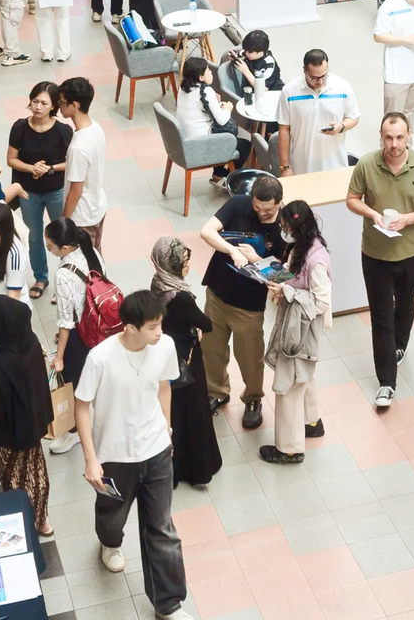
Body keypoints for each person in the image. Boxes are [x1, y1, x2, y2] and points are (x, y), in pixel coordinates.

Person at [74, 289, 191, 620]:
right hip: (114, 455)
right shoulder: (100, 358)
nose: (160, 332)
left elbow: (164, 386)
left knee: (162, 530)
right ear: (130, 326)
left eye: (160, 325)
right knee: (112, 518)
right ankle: (109, 543)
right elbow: (82, 406)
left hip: (155, 450)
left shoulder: (164, 345)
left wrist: (166, 428)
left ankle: (168, 604)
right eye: (152, 326)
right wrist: (90, 459)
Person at [345, 111, 414, 409]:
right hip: (375, 254)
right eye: (388, 137)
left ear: (409, 134)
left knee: (406, 306)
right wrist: (372, 213)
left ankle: (399, 346)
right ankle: (386, 382)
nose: (394, 144)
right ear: (380, 135)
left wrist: (408, 219)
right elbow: (351, 199)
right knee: (381, 316)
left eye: (400, 137)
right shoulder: (366, 164)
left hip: (410, 251)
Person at [198, 168, 285, 430]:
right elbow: (207, 232)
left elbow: (283, 276)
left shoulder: (285, 228)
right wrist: (232, 250)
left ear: (279, 203)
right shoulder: (238, 204)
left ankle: (253, 399)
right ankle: (216, 391)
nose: (261, 214)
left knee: (249, 357)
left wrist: (256, 260)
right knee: (211, 350)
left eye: (267, 210)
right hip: (217, 293)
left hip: (249, 306)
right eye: (257, 207)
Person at [0, 295, 57, 537]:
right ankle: (42, 520)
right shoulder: (30, 342)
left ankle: (24, 523)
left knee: (14, 479)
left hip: (8, 436)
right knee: (37, 471)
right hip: (33, 424)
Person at [259, 199, 331, 464]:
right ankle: (311, 422)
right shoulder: (303, 247)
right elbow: (293, 273)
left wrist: (287, 290)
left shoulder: (317, 262)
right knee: (305, 376)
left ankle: (289, 448)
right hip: (297, 325)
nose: (282, 230)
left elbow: (322, 302)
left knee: (288, 384)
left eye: (285, 225)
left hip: (300, 331)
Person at [150, 236, 222, 487]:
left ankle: (173, 467)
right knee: (194, 412)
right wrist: (196, 325)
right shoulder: (181, 297)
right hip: (187, 359)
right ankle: (198, 469)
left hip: (165, 356)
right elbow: (207, 324)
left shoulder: (158, 282)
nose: (188, 264)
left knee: (172, 413)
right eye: (184, 260)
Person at [47, 216, 108, 458]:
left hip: (79, 335)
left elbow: (65, 322)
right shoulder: (91, 251)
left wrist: (59, 357)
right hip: (100, 325)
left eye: (50, 245)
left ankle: (73, 431)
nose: (48, 249)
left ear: (64, 248)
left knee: (73, 384)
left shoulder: (63, 275)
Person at [6, 80, 72, 297]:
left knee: (62, 236)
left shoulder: (63, 131)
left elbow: (72, 161)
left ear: (54, 107)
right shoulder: (20, 127)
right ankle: (41, 277)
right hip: (28, 192)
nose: (38, 107)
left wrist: (49, 168)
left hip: (56, 191)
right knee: (34, 236)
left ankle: (66, 278)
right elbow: (11, 159)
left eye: (44, 103)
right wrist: (32, 168)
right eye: (34, 101)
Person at [276, 48, 360, 174]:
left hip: (335, 165)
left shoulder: (342, 87)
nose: (320, 81)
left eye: (324, 76)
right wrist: (285, 167)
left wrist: (341, 126)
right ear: (304, 70)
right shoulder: (289, 91)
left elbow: (354, 117)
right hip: (301, 167)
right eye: (314, 78)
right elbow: (284, 129)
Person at [59, 76, 110, 250]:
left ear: (74, 105)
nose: (59, 106)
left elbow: (76, 191)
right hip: (97, 206)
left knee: (86, 268)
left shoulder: (77, 148)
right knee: (96, 259)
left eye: (62, 102)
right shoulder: (96, 127)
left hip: (82, 218)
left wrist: (64, 221)